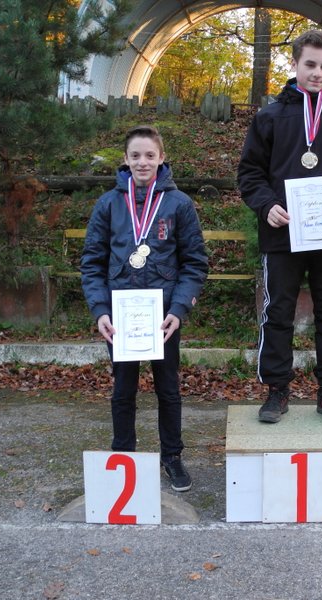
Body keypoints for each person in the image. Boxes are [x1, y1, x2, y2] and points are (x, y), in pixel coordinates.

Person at [237, 29, 322, 425]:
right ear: (294, 63)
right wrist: (266, 205)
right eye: (310, 64)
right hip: (282, 234)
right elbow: (249, 173)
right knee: (278, 312)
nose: (317, 73)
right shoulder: (270, 117)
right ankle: (277, 390)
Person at [80, 125, 208, 491]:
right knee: (123, 390)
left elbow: (195, 262)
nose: (142, 162)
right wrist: (100, 311)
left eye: (150, 155)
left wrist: (178, 309)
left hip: (163, 317)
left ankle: (172, 457)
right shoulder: (108, 204)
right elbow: (92, 262)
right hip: (120, 317)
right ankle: (124, 458)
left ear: (162, 158)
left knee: (168, 389)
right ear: (125, 159)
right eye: (135, 155)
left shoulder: (179, 204)